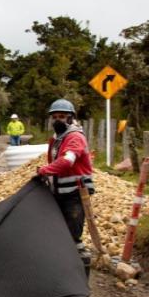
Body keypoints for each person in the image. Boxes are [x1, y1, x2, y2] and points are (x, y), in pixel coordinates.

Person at [36, 98, 94, 263]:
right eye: (54, 117)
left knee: (72, 235)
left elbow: (67, 161)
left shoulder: (75, 137)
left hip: (75, 193)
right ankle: (59, 263)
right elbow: (55, 161)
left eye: (61, 116)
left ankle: (76, 267)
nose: (57, 120)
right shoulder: (58, 138)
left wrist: (45, 171)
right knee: (59, 232)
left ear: (71, 118)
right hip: (61, 192)